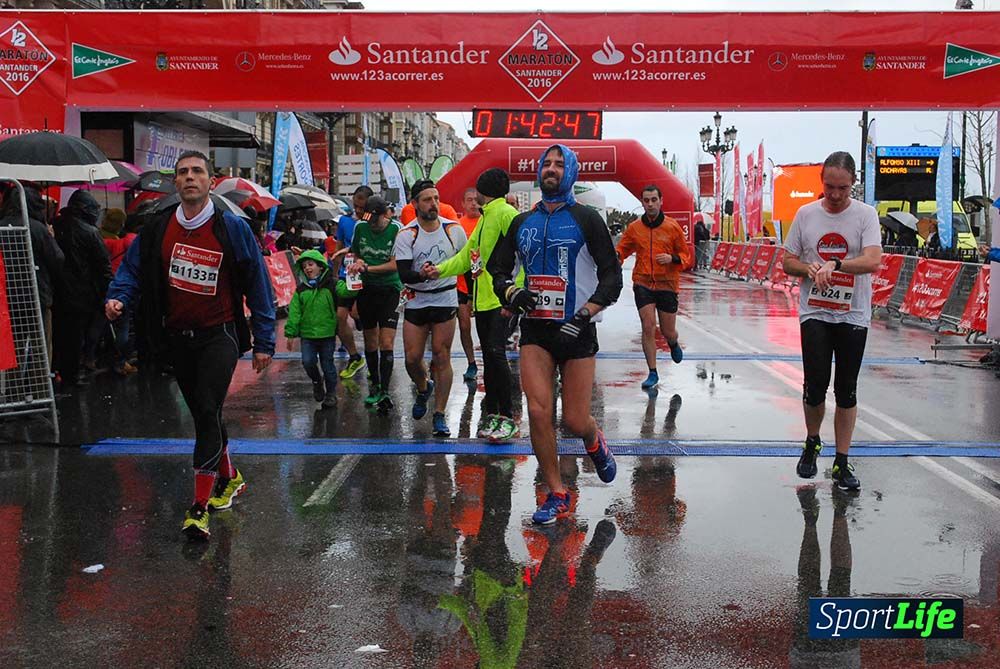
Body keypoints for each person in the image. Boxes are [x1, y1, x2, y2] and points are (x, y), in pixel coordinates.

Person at [105, 150, 276, 540]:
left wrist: (265, 338)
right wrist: (118, 298)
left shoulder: (231, 227)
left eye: (197, 171)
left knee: (205, 409)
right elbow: (133, 269)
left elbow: (258, 283)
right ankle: (229, 477)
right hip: (178, 336)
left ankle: (198, 508)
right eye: (182, 172)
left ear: (210, 182)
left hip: (221, 334)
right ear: (175, 183)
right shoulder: (159, 227)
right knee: (205, 413)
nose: (189, 178)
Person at [489, 144, 623, 524]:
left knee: (575, 421)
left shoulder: (587, 219)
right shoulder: (521, 223)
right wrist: (512, 292)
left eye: (559, 164)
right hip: (537, 330)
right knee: (537, 410)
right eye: (546, 164)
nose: (551, 169)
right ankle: (556, 492)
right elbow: (498, 270)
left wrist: (586, 313)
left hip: (578, 330)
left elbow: (612, 276)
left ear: (572, 172)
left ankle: (595, 441)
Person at [782, 151, 881, 492]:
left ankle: (841, 460)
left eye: (842, 188)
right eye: (829, 187)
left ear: (853, 183)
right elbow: (788, 261)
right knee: (815, 384)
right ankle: (812, 442)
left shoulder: (865, 215)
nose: (835, 195)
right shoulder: (806, 214)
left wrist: (836, 266)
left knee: (847, 389)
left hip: (853, 312)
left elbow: (872, 260)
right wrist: (807, 268)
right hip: (816, 311)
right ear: (821, 182)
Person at [430, 168, 521, 443]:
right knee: (490, 362)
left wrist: (515, 296)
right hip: (482, 301)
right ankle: (493, 414)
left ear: (484, 189)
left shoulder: (507, 214)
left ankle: (508, 417)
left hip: (500, 300)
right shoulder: (485, 218)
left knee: (496, 356)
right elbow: (468, 258)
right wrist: (438, 270)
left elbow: (524, 255)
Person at [394, 180, 468, 436]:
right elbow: (404, 274)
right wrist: (423, 276)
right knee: (412, 359)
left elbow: (467, 263)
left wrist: (470, 298)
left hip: (445, 298)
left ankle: (440, 414)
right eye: (427, 199)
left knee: (441, 354)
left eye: (436, 198)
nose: (433, 204)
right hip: (417, 298)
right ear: (415, 204)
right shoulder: (406, 234)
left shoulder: (454, 231)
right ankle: (424, 387)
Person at [616, 185, 690, 390]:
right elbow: (623, 248)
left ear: (661, 201)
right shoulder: (634, 228)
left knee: (668, 331)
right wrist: (616, 258)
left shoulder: (672, 227)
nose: (650, 204)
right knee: (648, 326)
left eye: (653, 200)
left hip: (667, 284)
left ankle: (673, 343)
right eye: (646, 200)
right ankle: (652, 371)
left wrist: (672, 258)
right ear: (642, 202)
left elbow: (686, 257)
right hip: (643, 282)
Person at [52, 190, 113, 386]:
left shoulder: (56, 225)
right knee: (77, 336)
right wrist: (108, 292)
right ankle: (73, 373)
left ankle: (58, 371)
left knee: (60, 334)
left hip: (57, 291)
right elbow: (103, 266)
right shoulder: (90, 232)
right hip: (82, 293)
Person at [348, 195, 402, 410]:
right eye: (368, 220)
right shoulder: (360, 228)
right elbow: (354, 254)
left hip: (390, 289)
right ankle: (375, 385)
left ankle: (386, 391)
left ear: (384, 215)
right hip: (367, 289)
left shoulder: (396, 230)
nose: (371, 224)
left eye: (375, 220)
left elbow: (396, 264)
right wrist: (357, 262)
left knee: (386, 342)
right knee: (370, 341)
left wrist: (368, 268)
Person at [0, 185, 63, 368]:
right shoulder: (37, 228)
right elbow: (57, 259)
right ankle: (41, 390)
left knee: (12, 348)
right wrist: (51, 237)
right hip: (36, 296)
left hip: (7, 298)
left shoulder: (2, 226)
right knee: (40, 348)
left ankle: (15, 390)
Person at [285, 249, 338, 409]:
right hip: (307, 335)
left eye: (311, 264)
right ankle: (316, 381)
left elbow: (345, 292)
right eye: (304, 266)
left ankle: (331, 394)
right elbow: (295, 312)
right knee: (308, 362)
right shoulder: (301, 290)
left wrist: (353, 282)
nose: (307, 268)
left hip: (327, 333)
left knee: (328, 365)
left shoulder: (331, 285)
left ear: (321, 266)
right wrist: (290, 333)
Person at [331, 186, 370, 379]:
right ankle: (354, 355)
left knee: (360, 314)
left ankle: (375, 360)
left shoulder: (372, 222)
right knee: (339, 317)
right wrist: (335, 272)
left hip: (367, 275)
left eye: (362, 205)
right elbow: (338, 247)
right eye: (356, 204)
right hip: (347, 276)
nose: (358, 209)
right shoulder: (345, 222)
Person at [97, 208, 137, 375]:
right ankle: (120, 362)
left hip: (99, 287)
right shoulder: (124, 242)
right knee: (122, 327)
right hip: (118, 287)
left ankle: (100, 358)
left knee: (102, 327)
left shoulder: (98, 238)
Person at [455, 187, 481, 382]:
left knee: (484, 327)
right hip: (462, 285)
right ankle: (471, 362)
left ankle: (491, 359)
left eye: (476, 200)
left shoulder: (485, 223)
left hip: (483, 285)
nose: (473, 203)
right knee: (464, 326)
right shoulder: (457, 226)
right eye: (469, 200)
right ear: (463, 204)